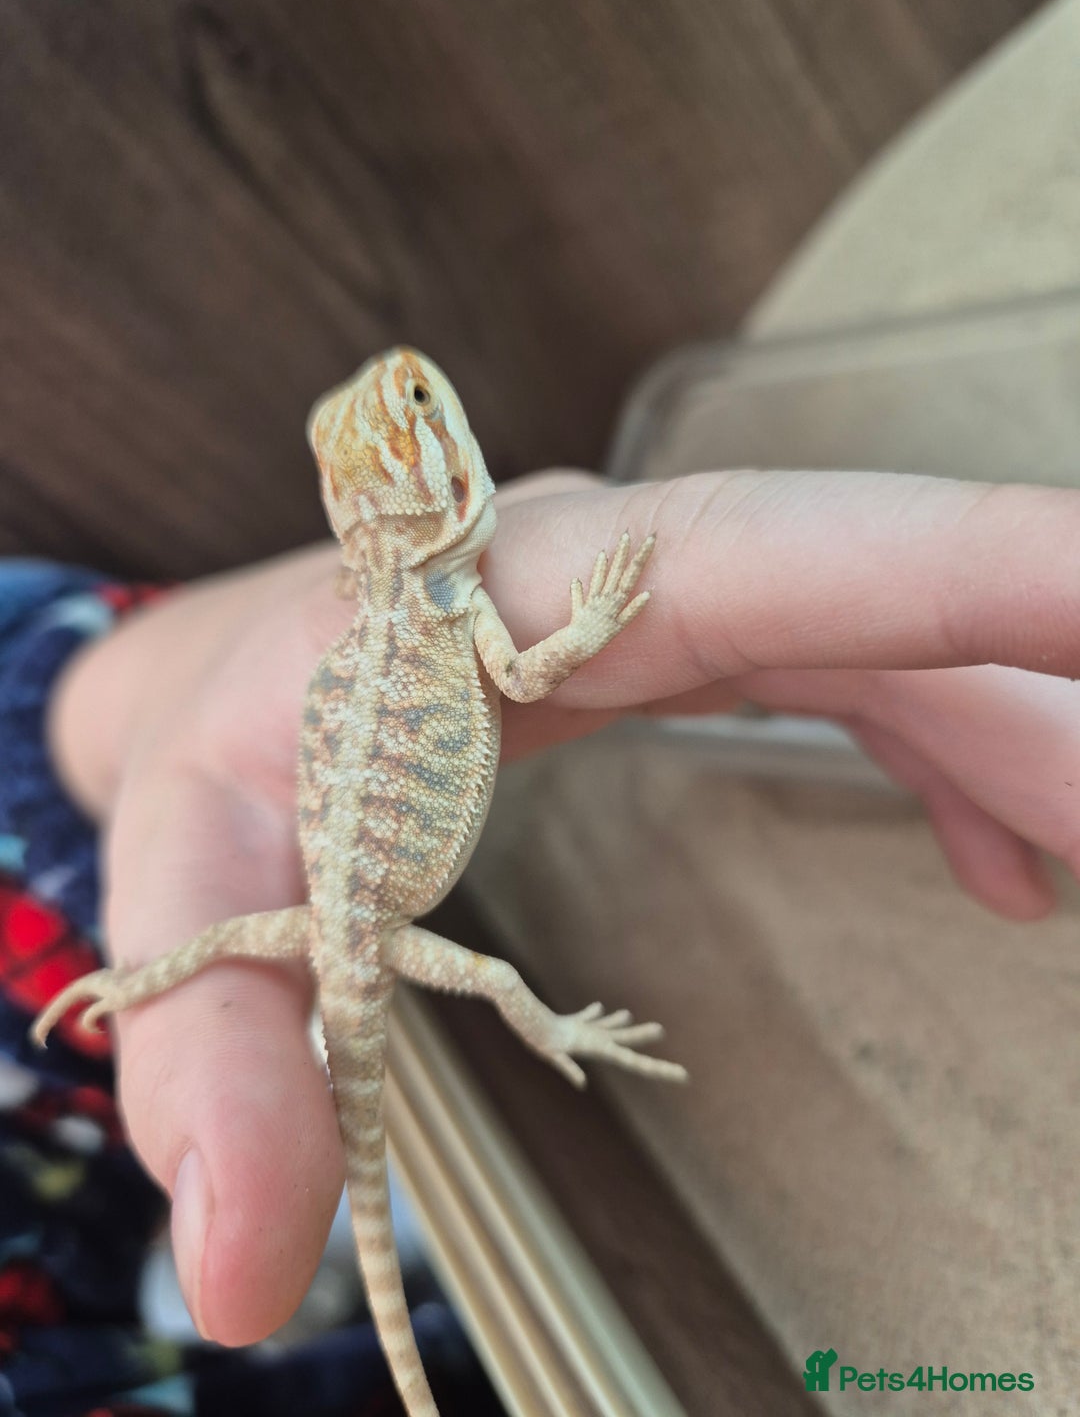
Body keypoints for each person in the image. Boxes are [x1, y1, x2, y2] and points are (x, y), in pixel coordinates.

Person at [4, 464, 1079, 1413]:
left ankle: (370, 1242)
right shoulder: (439, 605)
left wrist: (146, 743)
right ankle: (412, 1223)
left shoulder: (429, 596)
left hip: (209, 936)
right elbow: (522, 675)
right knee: (370, 1208)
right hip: (322, 990)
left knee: (336, 1190)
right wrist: (600, 616)